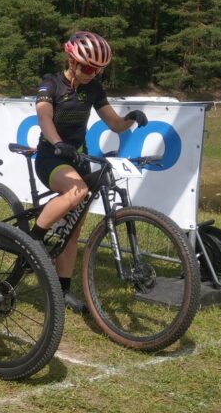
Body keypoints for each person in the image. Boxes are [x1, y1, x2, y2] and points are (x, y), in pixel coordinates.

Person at [31, 31, 147, 313]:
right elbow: (44, 116)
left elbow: (115, 124)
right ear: (71, 61)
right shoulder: (51, 83)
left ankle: (61, 291)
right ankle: (32, 241)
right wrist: (58, 143)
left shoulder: (93, 88)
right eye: (87, 68)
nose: (92, 74)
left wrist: (131, 119)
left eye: (97, 70)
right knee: (77, 191)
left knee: (73, 231)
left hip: (78, 158)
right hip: (51, 156)